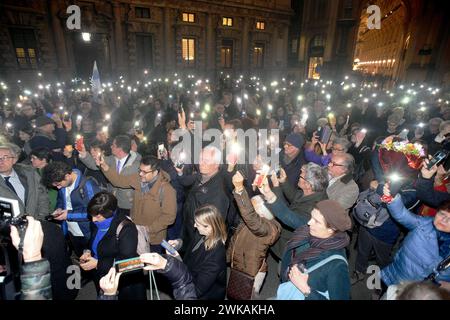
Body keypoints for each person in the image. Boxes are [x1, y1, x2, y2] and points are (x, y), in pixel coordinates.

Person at [258, 177, 352, 300]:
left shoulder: (337, 266)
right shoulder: (311, 231)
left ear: (332, 229)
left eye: (316, 221)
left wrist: (306, 289)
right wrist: (269, 194)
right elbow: (289, 216)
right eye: (311, 217)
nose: (309, 223)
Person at [96, 155, 177, 253]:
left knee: (152, 265)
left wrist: (148, 229)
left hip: (153, 239)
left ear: (155, 172)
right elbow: (119, 181)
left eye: (145, 172)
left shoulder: (167, 190)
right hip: (135, 232)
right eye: (140, 170)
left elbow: (169, 217)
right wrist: (105, 167)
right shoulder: (138, 179)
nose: (141, 174)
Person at [380, 181, 450, 288]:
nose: (444, 220)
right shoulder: (424, 223)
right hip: (396, 275)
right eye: (442, 214)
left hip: (417, 292)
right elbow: (402, 214)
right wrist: (391, 198)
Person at [80, 192, 146, 300]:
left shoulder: (126, 228)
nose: (93, 220)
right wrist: (87, 252)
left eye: (97, 216)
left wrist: (98, 264)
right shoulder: (96, 221)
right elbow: (93, 240)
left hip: (122, 281)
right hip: (102, 275)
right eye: (91, 215)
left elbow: (127, 262)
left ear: (109, 213)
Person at [227, 171, 281, 298]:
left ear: (262, 213)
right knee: (235, 295)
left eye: (253, 207)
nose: (250, 208)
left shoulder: (268, 228)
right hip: (240, 266)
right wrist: (229, 257)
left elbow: (250, 217)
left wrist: (240, 190)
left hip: (252, 273)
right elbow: (236, 239)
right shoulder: (253, 222)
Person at [179, 146, 238, 251]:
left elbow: (213, 229)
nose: (200, 163)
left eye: (205, 160)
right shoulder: (200, 176)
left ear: (216, 164)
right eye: (200, 159)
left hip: (201, 241)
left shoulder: (219, 192)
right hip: (189, 232)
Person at [270, 163, 329, 260]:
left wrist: (275, 187)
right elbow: (295, 197)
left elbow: (288, 217)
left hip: (290, 243)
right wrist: (284, 181)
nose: (299, 177)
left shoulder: (314, 208)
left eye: (301, 176)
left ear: (308, 185)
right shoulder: (313, 192)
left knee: (285, 270)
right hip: (287, 237)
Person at [41, 161, 101, 256]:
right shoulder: (63, 184)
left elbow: (96, 212)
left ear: (67, 175)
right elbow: (61, 200)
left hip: (88, 232)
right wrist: (59, 208)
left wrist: (68, 215)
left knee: (91, 261)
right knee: (79, 256)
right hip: (71, 231)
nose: (58, 187)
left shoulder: (88, 184)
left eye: (58, 184)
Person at [168, 205, 227, 300]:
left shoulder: (216, 256)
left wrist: (177, 262)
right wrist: (179, 243)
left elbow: (197, 290)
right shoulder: (202, 234)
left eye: (197, 224)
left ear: (209, 227)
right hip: (190, 276)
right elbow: (190, 244)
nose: (194, 225)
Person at [79, 134, 141, 216]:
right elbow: (94, 165)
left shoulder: (136, 165)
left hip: (128, 204)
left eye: (113, 145)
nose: (111, 146)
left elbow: (119, 181)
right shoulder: (112, 159)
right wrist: (83, 154)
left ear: (120, 149)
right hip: (113, 201)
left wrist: (106, 168)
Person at [0, 143, 49, 220]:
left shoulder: (29, 174)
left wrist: (42, 217)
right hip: (9, 228)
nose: (1, 161)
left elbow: (42, 196)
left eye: (5, 157)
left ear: (14, 159)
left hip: (35, 223)